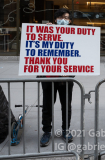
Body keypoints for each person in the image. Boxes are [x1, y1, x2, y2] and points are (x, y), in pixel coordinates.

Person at [39, 8, 74, 147]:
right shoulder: (47, 31)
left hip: (66, 78)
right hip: (49, 77)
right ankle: (46, 131)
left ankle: (66, 130)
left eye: (66, 18)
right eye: (60, 18)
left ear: (70, 21)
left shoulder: (75, 35)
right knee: (47, 106)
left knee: (66, 106)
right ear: (55, 20)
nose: (63, 20)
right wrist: (44, 31)